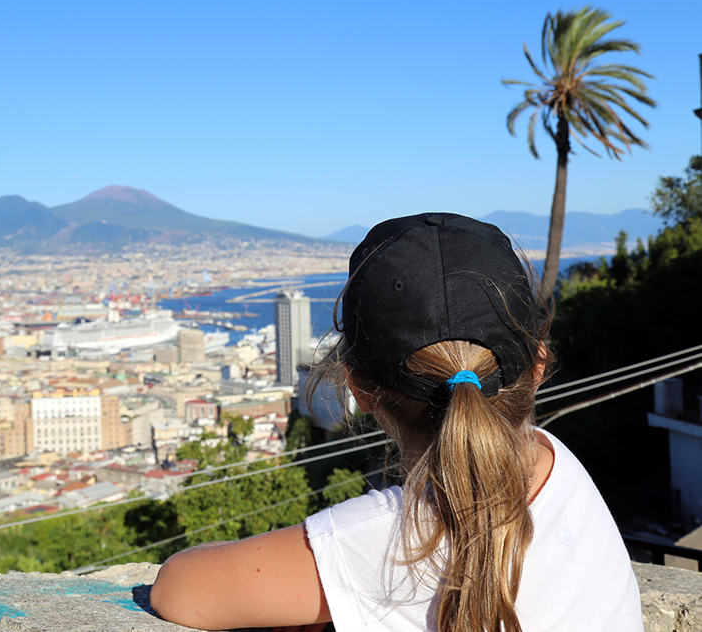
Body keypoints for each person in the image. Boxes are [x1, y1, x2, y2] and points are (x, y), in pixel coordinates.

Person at [149, 213, 642, 632]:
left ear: (359, 389)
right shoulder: (559, 464)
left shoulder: (387, 542)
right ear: (537, 370)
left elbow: (180, 587)